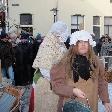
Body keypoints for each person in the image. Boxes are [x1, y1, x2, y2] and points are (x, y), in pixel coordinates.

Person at [50, 30, 112, 112]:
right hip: (70, 105)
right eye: (79, 42)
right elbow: (55, 86)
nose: (83, 44)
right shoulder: (64, 62)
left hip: (91, 104)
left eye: (86, 42)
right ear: (74, 44)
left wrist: (105, 100)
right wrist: (72, 90)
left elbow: (101, 82)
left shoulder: (96, 61)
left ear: (89, 44)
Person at [32, 21, 69, 112]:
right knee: (48, 106)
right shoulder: (48, 45)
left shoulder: (59, 42)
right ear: (59, 32)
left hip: (56, 79)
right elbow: (44, 69)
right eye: (64, 31)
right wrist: (59, 80)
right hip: (46, 81)